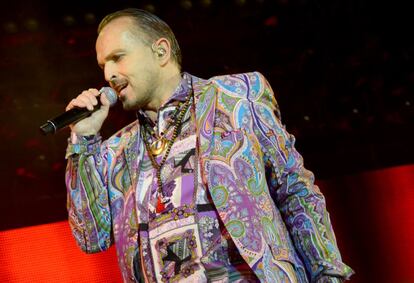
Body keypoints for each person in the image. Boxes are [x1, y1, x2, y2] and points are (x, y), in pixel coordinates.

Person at [64, 8, 354, 283]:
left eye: (118, 57)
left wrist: (327, 273)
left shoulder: (236, 97)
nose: (108, 74)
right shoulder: (116, 151)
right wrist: (83, 140)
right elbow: (91, 238)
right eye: (104, 65)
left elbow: (294, 189)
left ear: (161, 51)